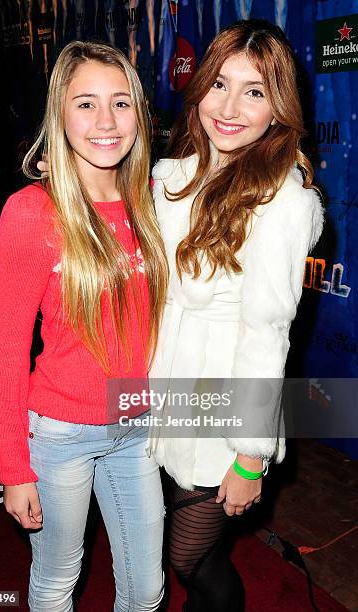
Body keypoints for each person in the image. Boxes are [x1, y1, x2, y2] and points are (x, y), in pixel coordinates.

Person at [149, 19, 324, 611]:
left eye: (254, 91)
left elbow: (267, 333)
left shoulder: (282, 201)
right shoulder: (172, 179)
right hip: (166, 389)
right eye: (219, 83)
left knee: (190, 557)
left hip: (222, 402)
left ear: (278, 106)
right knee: (185, 555)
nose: (229, 107)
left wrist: (249, 454)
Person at [0, 41, 168, 611]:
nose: (107, 121)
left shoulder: (154, 200)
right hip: (60, 433)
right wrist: (14, 467)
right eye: (86, 104)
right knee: (56, 583)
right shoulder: (31, 210)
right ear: (59, 115)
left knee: (145, 591)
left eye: (121, 103)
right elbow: (9, 349)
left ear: (139, 113)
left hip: (138, 425)